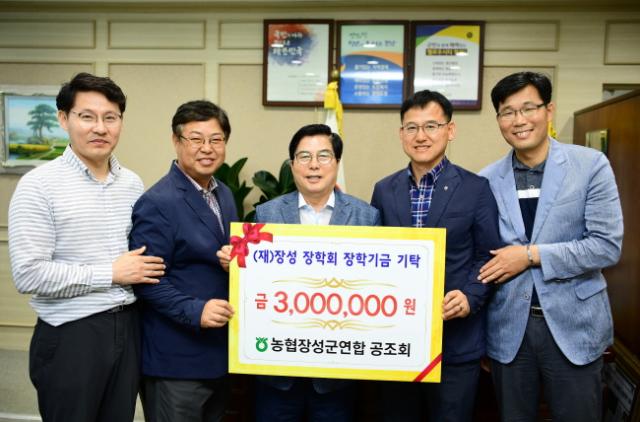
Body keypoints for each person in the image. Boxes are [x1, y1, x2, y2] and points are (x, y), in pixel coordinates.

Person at [8, 72, 165, 422]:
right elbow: (28, 274)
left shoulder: (131, 183)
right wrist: (111, 273)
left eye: (110, 118)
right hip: (72, 335)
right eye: (87, 117)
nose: (100, 128)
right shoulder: (38, 185)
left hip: (128, 327)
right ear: (64, 119)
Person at [478, 71, 623, 422]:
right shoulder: (486, 179)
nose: (519, 120)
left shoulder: (590, 166)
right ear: (498, 119)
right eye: (508, 112)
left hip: (574, 325)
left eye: (529, 108)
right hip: (509, 330)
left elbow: (606, 246)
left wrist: (530, 256)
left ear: (549, 110)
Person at [218, 123, 379, 422]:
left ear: (337, 162)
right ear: (292, 164)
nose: (314, 165)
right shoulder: (267, 214)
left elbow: (375, 286)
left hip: (337, 375)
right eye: (304, 156)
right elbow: (254, 283)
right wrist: (235, 261)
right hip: (277, 373)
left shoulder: (366, 217)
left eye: (323, 156)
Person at [370, 90, 502, 422]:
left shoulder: (476, 188)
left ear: (450, 130)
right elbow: (373, 255)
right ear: (401, 134)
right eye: (411, 128)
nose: (421, 136)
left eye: (431, 126)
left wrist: (470, 296)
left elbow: (488, 255)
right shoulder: (384, 190)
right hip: (396, 341)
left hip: (455, 340)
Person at [129, 100, 237, 422]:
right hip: (175, 361)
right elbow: (147, 280)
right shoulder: (157, 202)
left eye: (216, 139)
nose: (207, 148)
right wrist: (196, 310)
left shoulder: (224, 194)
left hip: (218, 354)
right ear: (176, 141)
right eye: (196, 139)